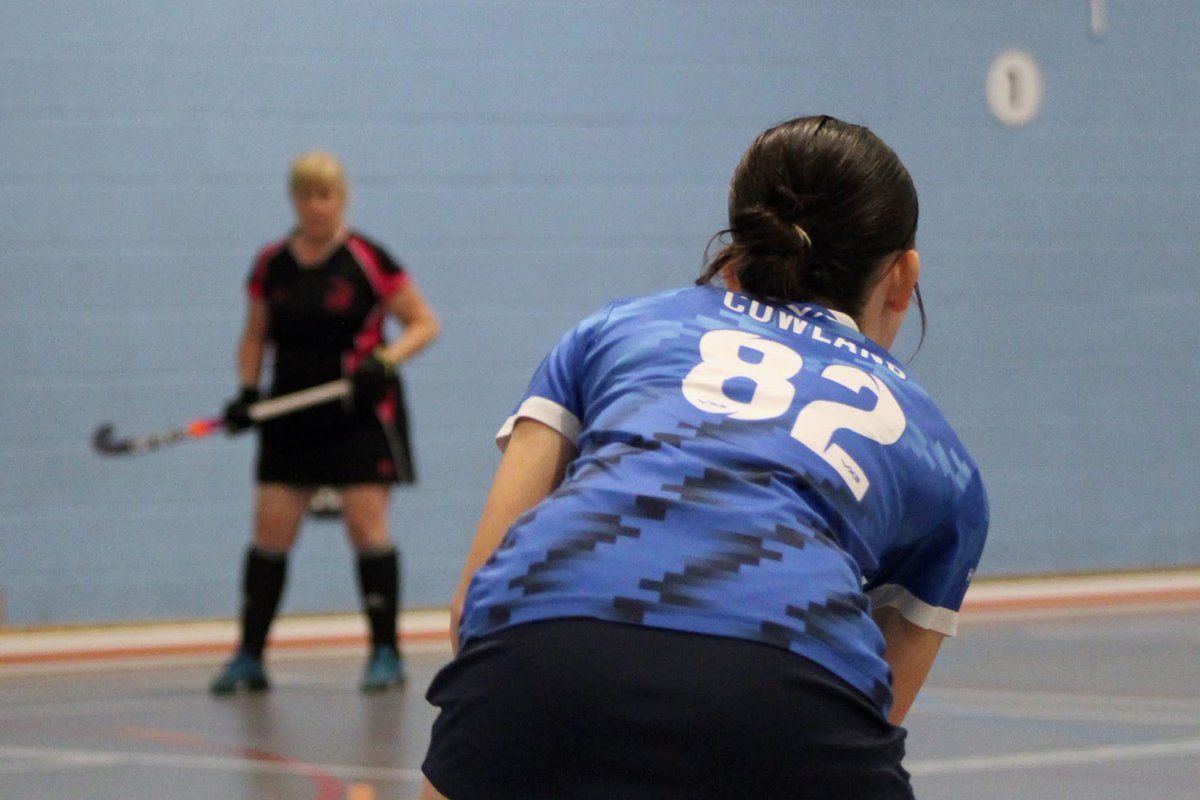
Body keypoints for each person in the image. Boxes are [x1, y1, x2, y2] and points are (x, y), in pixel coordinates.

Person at [418, 115, 988, 799]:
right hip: (783, 689)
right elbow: (877, 702)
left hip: (535, 655)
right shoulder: (943, 461)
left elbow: (468, 607)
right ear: (902, 278)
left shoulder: (613, 332)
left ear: (737, 248)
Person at [210, 151, 439, 695]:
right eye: (306, 196)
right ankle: (249, 655)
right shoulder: (272, 264)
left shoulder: (366, 258)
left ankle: (385, 653)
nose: (315, 206)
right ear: (294, 200)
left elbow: (423, 323)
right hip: (290, 413)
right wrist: (246, 393)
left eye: (325, 195)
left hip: (358, 415)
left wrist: (383, 362)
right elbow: (254, 335)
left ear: (342, 198)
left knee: (366, 528)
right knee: (269, 531)